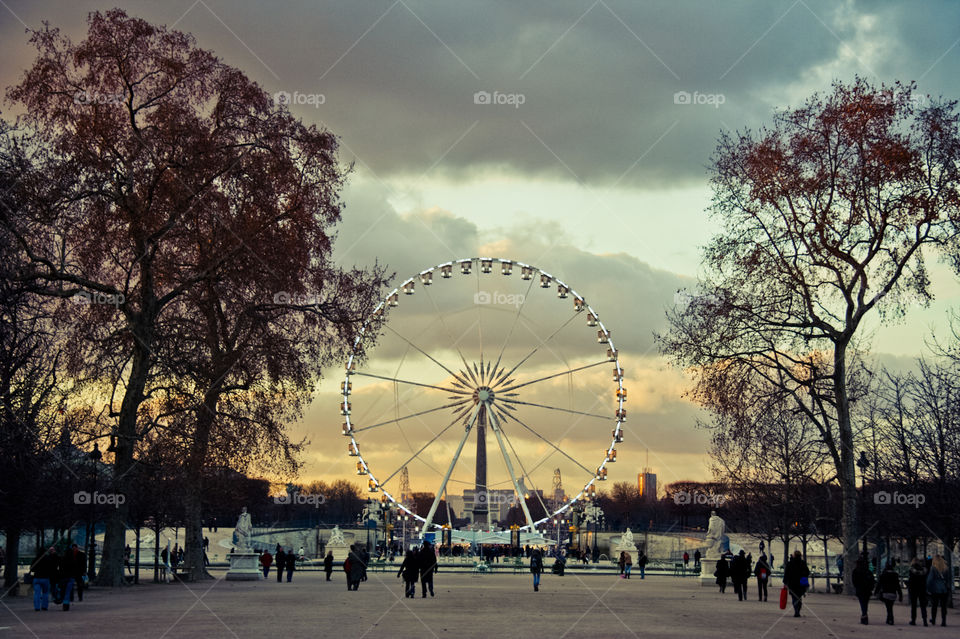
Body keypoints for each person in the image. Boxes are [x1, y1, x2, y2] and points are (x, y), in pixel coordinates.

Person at [782, 550, 810, 618]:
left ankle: (796, 610)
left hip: (792, 583)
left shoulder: (790, 563)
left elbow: (786, 573)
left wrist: (785, 582)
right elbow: (807, 572)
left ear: (794, 555)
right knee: (799, 597)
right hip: (801, 583)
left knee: (794, 597)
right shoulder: (803, 563)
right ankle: (798, 610)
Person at [875, 560, 902, 625]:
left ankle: (890, 619)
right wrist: (900, 594)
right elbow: (898, 586)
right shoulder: (895, 575)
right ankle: (889, 618)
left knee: (888, 607)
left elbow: (879, 584)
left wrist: (876, 592)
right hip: (893, 594)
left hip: (885, 593)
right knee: (890, 606)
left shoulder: (883, 575)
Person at [926, 554, 950, 627]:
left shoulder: (933, 568)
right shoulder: (946, 568)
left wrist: (928, 588)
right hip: (944, 589)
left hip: (935, 589)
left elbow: (929, 580)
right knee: (943, 606)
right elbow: (948, 579)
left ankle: (933, 619)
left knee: (934, 605)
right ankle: (944, 621)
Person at [31, 547, 57, 611]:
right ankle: (44, 606)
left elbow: (32, 569)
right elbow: (52, 568)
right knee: (45, 593)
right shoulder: (48, 559)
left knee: (37, 593)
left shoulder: (36, 559)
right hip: (45, 578)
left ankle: (37, 607)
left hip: (37, 577)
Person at [852, 556, 876, 625]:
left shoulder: (856, 571)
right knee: (865, 603)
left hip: (860, 590)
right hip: (867, 590)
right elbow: (872, 581)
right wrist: (871, 588)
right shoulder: (868, 572)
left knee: (862, 603)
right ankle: (864, 615)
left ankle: (864, 615)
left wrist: (857, 587)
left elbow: (854, 581)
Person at [906, 557, 928, 626]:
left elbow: (910, 580)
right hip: (922, 589)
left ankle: (913, 620)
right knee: (923, 605)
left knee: (913, 606)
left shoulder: (911, 570)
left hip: (913, 589)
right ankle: (925, 620)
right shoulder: (924, 570)